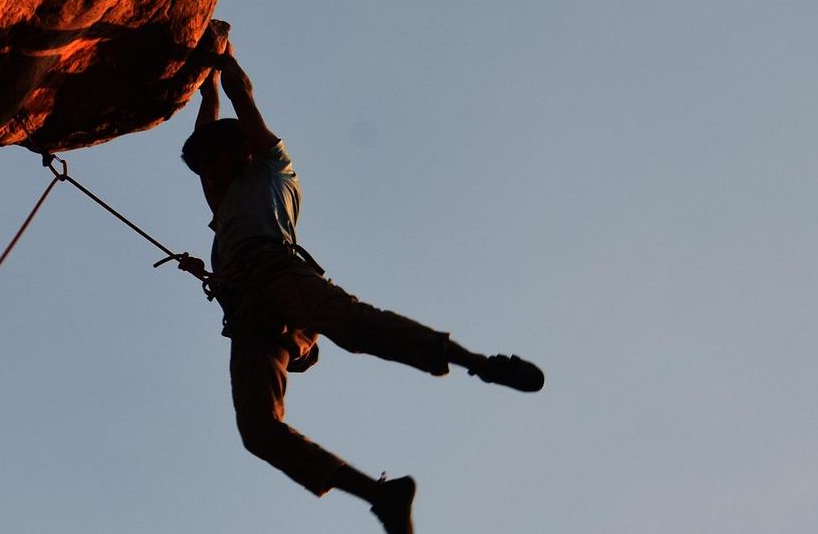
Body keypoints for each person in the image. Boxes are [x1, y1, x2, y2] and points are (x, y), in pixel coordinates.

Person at [177, 44, 544, 534]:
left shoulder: (270, 167)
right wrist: (205, 92)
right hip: (247, 312)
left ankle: (481, 363)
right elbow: (206, 136)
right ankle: (381, 495)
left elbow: (242, 96)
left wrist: (223, 61)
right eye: (204, 168)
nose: (208, 174)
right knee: (258, 432)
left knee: (355, 327)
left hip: (278, 274)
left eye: (213, 162)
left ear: (239, 148)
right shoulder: (222, 197)